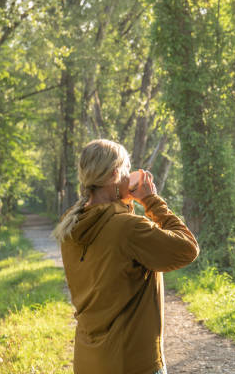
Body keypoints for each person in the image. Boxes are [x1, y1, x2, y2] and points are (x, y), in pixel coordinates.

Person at [52, 139, 199, 374]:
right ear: (114, 175)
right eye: (126, 170)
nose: (129, 176)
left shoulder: (71, 224)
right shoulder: (128, 229)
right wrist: (150, 200)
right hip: (133, 362)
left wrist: (124, 202)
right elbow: (188, 248)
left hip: (88, 362)